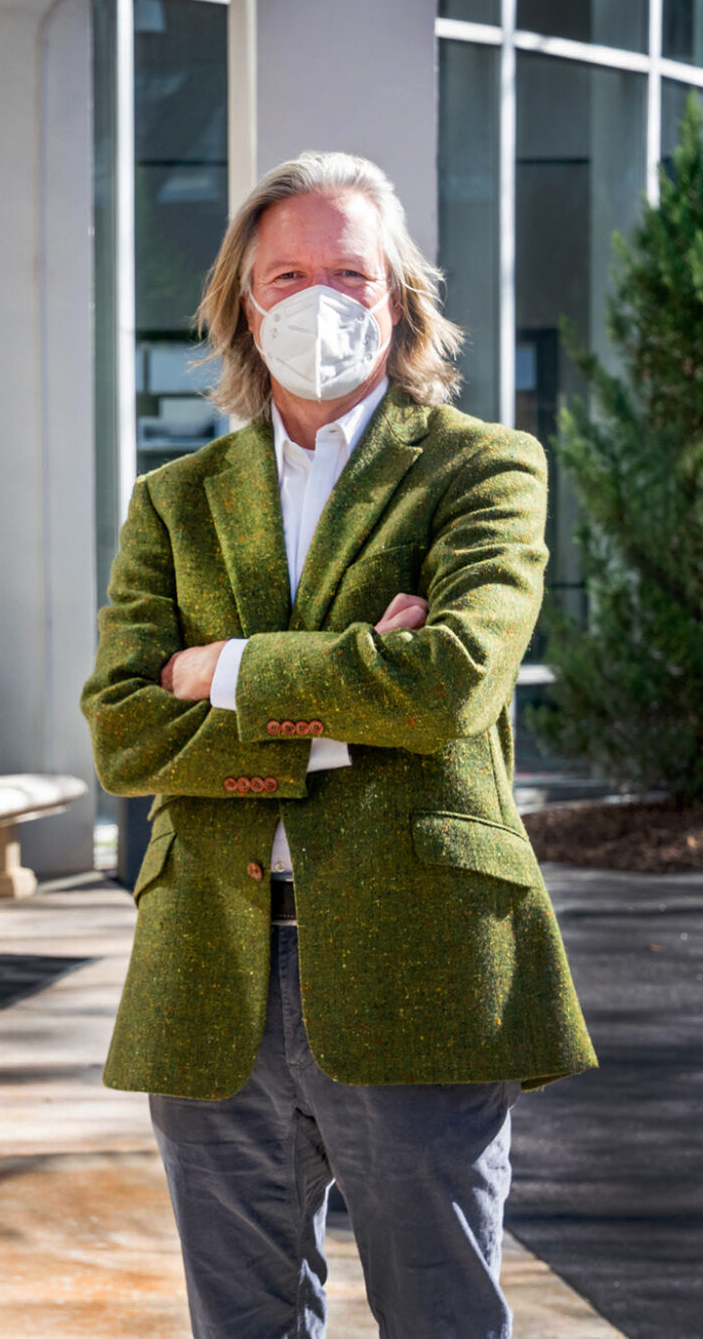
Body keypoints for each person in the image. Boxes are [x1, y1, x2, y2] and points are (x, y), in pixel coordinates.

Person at [81, 152, 596, 1339]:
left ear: (399, 296)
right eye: (288, 273)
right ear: (241, 303)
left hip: (419, 953)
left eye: (349, 272)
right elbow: (120, 727)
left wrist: (225, 672)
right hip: (209, 961)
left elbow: (450, 682)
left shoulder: (482, 467)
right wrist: (342, 709)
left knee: (439, 1315)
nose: (321, 298)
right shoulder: (173, 500)